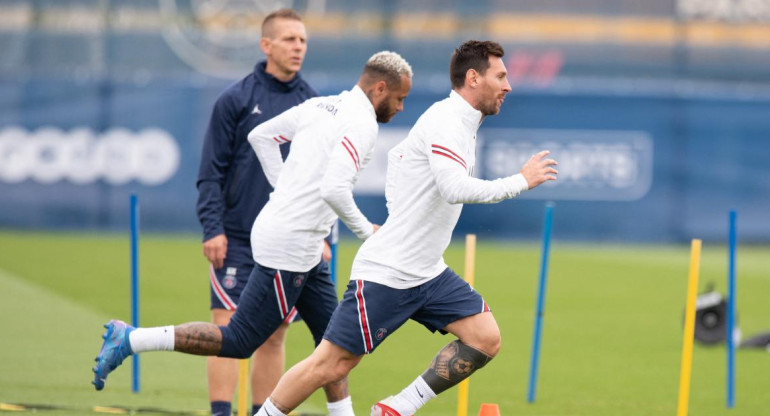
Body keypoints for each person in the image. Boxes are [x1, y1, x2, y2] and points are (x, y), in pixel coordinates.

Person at [91, 50, 414, 416]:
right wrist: (368, 232)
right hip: (288, 246)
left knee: (335, 346)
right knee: (239, 340)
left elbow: (262, 136)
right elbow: (335, 190)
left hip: (300, 244)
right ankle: (131, 338)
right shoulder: (362, 124)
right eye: (400, 98)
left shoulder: (322, 105)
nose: (401, 107)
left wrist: (284, 190)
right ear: (380, 89)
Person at [252, 40, 559, 416]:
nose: (508, 85)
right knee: (330, 365)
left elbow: (400, 161)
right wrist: (521, 181)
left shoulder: (461, 122)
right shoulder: (447, 120)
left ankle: (396, 409)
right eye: (501, 76)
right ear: (474, 77)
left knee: (484, 339)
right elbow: (453, 187)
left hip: (427, 271)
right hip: (389, 272)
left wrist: (400, 212)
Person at [194, 9, 317, 416]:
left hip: (289, 241)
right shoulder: (235, 98)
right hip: (237, 238)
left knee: (275, 334)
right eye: (289, 39)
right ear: (266, 45)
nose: (298, 46)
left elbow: (324, 181)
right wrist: (213, 228)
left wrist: (322, 237)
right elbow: (210, 173)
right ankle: (220, 413)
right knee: (226, 329)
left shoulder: (314, 106)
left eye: (302, 40)